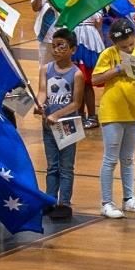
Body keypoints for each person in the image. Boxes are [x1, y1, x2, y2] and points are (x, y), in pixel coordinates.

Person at [92, 18, 135, 219]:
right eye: (124, 46)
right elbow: (95, 79)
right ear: (114, 42)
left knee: (128, 158)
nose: (129, 48)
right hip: (113, 112)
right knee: (110, 159)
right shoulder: (108, 55)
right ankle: (106, 202)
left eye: (131, 44)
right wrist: (118, 69)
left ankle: (129, 199)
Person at [37, 28, 86, 219]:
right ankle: (50, 200)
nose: (56, 50)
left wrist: (57, 114)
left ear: (72, 49)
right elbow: (43, 92)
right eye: (54, 46)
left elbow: (76, 103)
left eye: (61, 46)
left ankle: (64, 202)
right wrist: (40, 105)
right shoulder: (45, 69)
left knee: (66, 166)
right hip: (48, 124)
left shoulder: (77, 74)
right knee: (52, 165)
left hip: (67, 124)